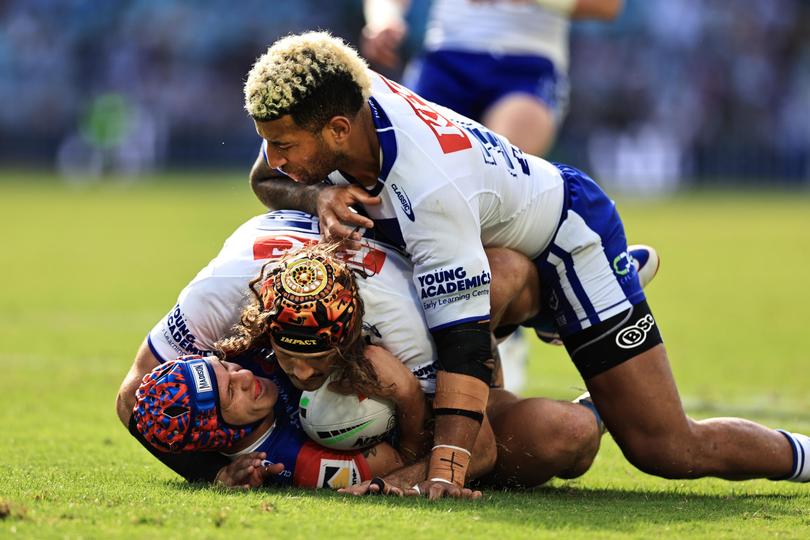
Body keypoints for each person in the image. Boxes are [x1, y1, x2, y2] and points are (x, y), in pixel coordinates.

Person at [244, 31, 810, 498]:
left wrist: (444, 469)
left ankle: (802, 454)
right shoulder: (337, 103)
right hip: (496, 244)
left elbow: (464, 347)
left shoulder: (430, 187)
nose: (276, 157)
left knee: (665, 448)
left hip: (569, 242)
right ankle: (546, 312)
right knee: (467, 297)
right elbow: (264, 180)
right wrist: (316, 196)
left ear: (339, 131)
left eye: (284, 144)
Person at [115, 210, 602, 491]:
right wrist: (215, 471)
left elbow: (479, 448)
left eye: (318, 358)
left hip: (422, 311)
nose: (303, 374)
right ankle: (594, 411)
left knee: (505, 275)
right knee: (572, 434)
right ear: (258, 325)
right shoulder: (220, 295)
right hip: (313, 258)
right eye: (288, 356)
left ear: (352, 335)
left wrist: (410, 395)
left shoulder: (403, 330)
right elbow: (132, 398)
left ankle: (558, 303)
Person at [362, 0, 624, 156]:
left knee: (500, 172)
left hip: (526, 67)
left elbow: (607, 5)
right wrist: (384, 20)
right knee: (402, 165)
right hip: (445, 61)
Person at [131, 353, 420, 490]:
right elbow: (403, 461)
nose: (244, 376)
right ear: (219, 432)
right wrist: (407, 391)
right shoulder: (293, 463)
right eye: (231, 392)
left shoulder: (248, 352)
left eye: (226, 367)